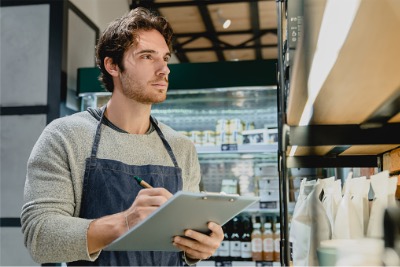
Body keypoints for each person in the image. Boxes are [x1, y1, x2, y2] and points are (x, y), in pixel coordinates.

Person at [21, 7, 224, 266]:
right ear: (112, 65)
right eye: (147, 57)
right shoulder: (65, 136)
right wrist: (125, 222)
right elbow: (40, 238)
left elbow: (184, 239)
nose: (164, 69)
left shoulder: (181, 147)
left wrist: (197, 247)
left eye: (165, 57)